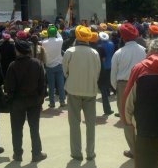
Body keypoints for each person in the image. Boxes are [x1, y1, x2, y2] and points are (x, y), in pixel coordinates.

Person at [123, 37, 158, 168]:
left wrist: (131, 122)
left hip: (146, 133)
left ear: (151, 51)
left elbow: (127, 104)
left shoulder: (140, 69)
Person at [62, 26, 101, 161]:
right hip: (90, 91)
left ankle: (76, 153)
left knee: (74, 123)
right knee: (91, 124)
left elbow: (65, 71)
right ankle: (90, 153)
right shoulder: (94, 53)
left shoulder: (70, 51)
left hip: (73, 90)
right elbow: (97, 73)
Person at [5, 39, 46, 162]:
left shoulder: (13, 66)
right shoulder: (37, 64)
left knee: (16, 129)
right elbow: (43, 84)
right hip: (34, 101)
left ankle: (18, 154)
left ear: (17, 51)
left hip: (17, 102)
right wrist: (41, 99)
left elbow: (9, 87)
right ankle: (36, 154)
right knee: (34, 128)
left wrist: (10, 100)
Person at [111, 23, 146, 159]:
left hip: (123, 86)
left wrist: (118, 89)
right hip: (143, 84)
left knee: (126, 119)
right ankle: (143, 147)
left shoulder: (119, 53)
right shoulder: (144, 50)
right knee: (141, 117)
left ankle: (133, 150)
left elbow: (113, 77)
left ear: (123, 38)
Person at [42, 24, 66, 108]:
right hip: (59, 65)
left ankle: (52, 102)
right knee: (61, 85)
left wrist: (49, 29)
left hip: (49, 66)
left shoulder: (44, 43)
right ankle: (62, 101)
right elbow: (60, 36)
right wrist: (55, 29)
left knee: (51, 86)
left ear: (48, 33)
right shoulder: (59, 41)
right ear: (55, 32)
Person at [97, 32, 115, 115]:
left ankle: (107, 91)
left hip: (103, 66)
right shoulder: (111, 44)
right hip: (110, 64)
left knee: (104, 83)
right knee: (109, 79)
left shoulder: (100, 46)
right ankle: (112, 91)